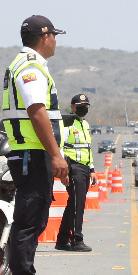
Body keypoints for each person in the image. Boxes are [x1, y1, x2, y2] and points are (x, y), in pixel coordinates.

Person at [1, 15, 70, 275]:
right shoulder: (30, 67)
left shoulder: (27, 64)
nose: (55, 41)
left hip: (30, 152)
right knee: (28, 221)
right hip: (32, 153)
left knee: (33, 219)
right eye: (54, 36)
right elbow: (37, 112)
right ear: (45, 37)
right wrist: (55, 155)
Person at [55, 93, 95, 252]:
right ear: (72, 107)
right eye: (80, 106)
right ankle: (77, 239)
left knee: (74, 204)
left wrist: (92, 169)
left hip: (85, 168)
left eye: (85, 106)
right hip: (73, 167)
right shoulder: (67, 124)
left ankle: (62, 239)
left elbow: (87, 148)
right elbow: (60, 147)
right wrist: (64, 171)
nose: (83, 109)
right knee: (78, 205)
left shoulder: (85, 124)